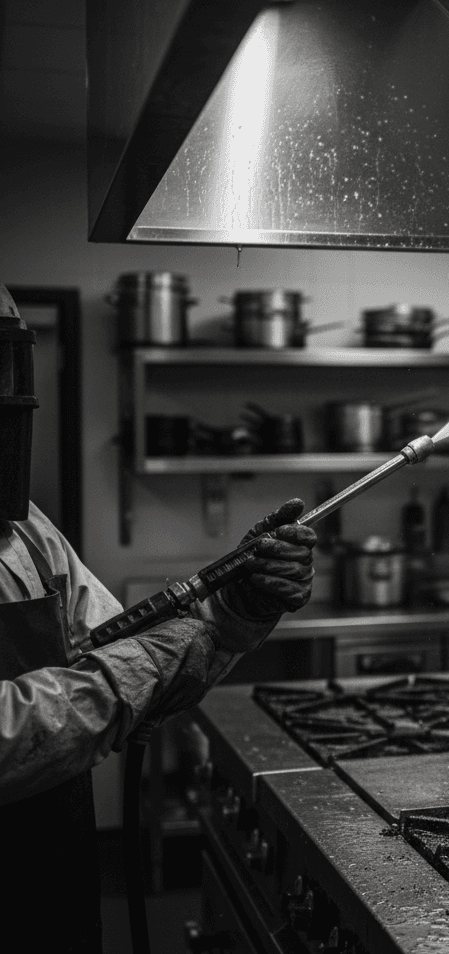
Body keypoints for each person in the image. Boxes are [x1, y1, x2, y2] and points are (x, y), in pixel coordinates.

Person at [0, 286, 317, 949]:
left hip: (52, 879)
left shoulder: (24, 531)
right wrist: (141, 667)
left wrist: (234, 610)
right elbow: (125, 673)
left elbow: (121, 652)